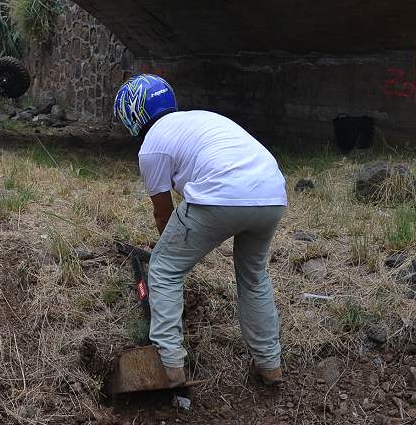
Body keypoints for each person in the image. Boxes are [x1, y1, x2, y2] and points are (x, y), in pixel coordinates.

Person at [114, 75, 288, 387]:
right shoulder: (196, 119)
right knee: (254, 278)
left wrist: (179, 253)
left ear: (132, 113)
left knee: (165, 269)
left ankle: (169, 365)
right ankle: (270, 364)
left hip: (224, 192)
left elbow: (163, 213)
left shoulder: (151, 146)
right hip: (272, 193)